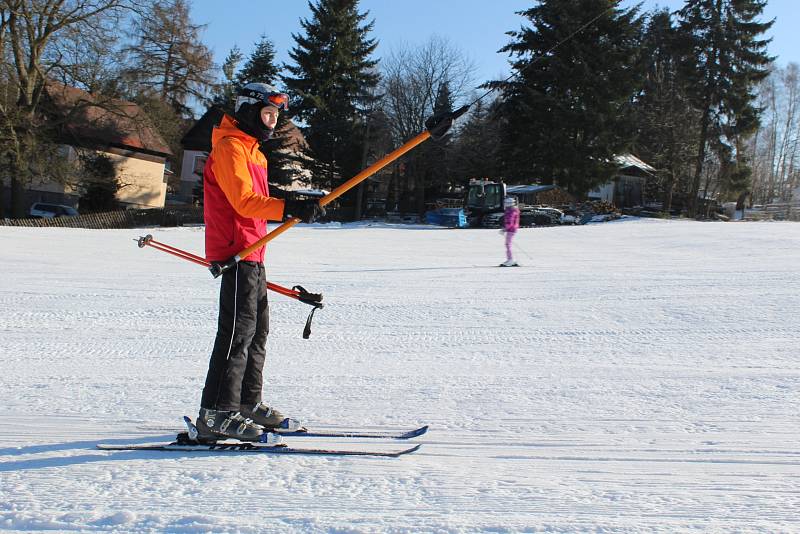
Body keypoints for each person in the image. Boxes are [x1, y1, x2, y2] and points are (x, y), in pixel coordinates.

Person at [197, 82, 324, 441]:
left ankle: (246, 403)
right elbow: (243, 202)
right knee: (236, 334)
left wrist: (292, 202)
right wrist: (289, 208)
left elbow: (259, 201)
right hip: (235, 253)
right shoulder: (230, 148)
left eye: (275, 116)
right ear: (249, 111)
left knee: (257, 333)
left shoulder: (256, 153)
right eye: (266, 114)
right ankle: (215, 413)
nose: (271, 122)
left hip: (254, 251)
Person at [500, 196, 520, 267]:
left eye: (506, 203)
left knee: (508, 244)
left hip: (511, 229)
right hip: (511, 229)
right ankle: (510, 259)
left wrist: (505, 229)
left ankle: (510, 259)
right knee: (508, 244)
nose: (505, 204)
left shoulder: (511, 211)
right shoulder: (511, 210)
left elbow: (510, 221)